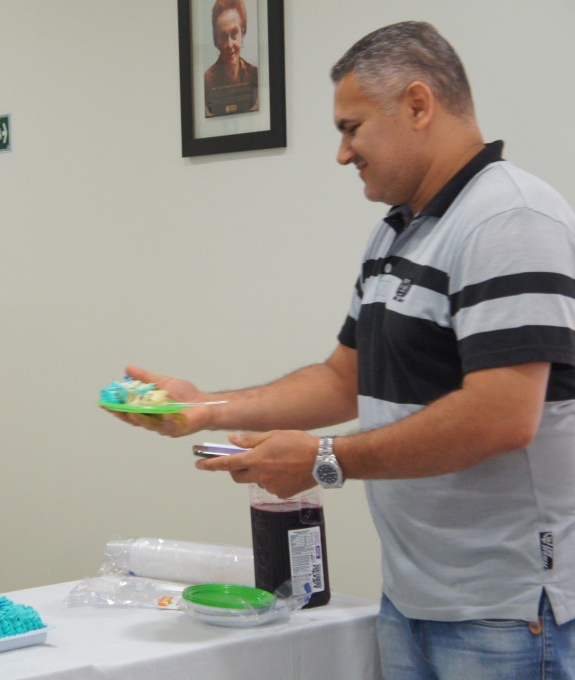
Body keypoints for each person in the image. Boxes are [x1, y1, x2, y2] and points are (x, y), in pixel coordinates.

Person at [110, 21, 575, 679]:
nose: (342, 152)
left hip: (505, 614)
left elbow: (501, 416)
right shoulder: (396, 234)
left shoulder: (509, 219)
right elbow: (341, 378)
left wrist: (324, 459)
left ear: (418, 105)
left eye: (351, 127)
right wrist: (206, 408)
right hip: (412, 599)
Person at [203, 0, 258, 117]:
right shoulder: (206, 83)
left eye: (234, 33)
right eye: (223, 36)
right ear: (215, 40)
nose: (229, 44)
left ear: (242, 33)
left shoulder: (255, 75)